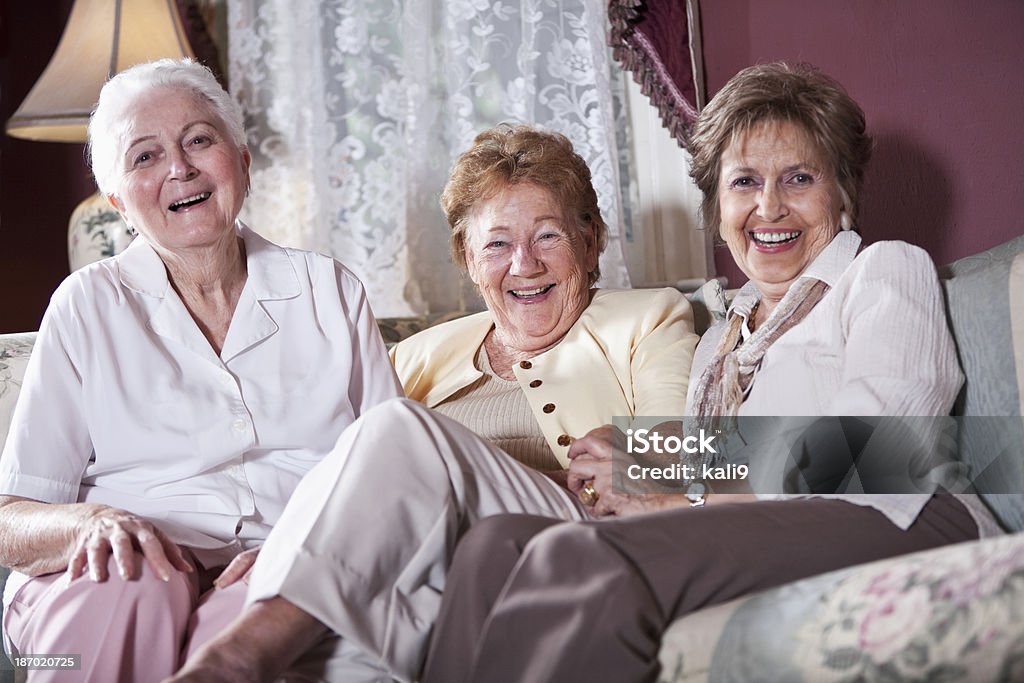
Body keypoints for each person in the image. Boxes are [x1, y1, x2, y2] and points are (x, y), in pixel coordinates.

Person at [418, 62, 1004, 683]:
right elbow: (717, 462)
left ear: (843, 194)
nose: (768, 206)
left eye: (799, 178)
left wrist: (682, 492)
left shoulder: (883, 269)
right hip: (779, 522)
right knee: (494, 547)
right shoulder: (723, 337)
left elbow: (882, 442)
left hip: (901, 513)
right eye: (744, 182)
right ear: (718, 205)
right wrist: (638, 456)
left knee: (577, 558)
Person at [170, 125, 699, 682]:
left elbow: (675, 454)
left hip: (574, 531)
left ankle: (231, 663)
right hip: (434, 567)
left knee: (397, 424)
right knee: (331, 643)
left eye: (548, 236)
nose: (523, 264)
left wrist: (637, 454)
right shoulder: (419, 353)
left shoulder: (647, 317)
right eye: (496, 244)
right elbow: (345, 472)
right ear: (468, 258)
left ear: (589, 243)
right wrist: (299, 538)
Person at [0, 58, 403, 681]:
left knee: (260, 621)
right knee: (136, 587)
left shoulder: (327, 289)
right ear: (118, 203)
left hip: (281, 565)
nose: (179, 168)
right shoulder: (86, 306)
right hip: (119, 570)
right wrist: (93, 522)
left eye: (198, 140)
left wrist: (304, 545)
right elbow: (11, 518)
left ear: (242, 161)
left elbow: (391, 478)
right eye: (144, 157)